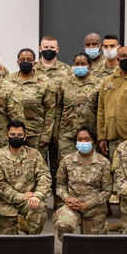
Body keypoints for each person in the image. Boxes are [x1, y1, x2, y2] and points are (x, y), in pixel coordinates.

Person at [0, 120, 52, 235]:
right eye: (12, 135)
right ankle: (18, 224)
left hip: (29, 201)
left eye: (19, 135)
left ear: (25, 137)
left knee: (39, 208)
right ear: (6, 136)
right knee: (7, 246)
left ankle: (33, 241)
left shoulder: (34, 154)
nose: (16, 137)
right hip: (5, 203)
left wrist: (38, 196)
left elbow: (45, 176)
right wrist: (20, 196)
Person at [52, 126, 113, 238]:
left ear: (93, 141)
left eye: (87, 139)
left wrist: (86, 205)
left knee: (91, 244)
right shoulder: (67, 161)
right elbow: (60, 185)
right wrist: (67, 199)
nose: (83, 142)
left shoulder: (103, 163)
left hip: (94, 208)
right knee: (64, 224)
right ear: (75, 141)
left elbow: (107, 191)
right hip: (72, 206)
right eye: (80, 139)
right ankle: (67, 247)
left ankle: (103, 226)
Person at [35, 35, 71, 192]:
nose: (48, 50)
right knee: (38, 167)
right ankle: (38, 201)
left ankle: (59, 202)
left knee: (58, 167)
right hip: (37, 128)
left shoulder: (67, 70)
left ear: (57, 50)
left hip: (60, 127)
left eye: (52, 48)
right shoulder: (33, 69)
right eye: (45, 47)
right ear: (40, 49)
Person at [8, 48, 56, 151]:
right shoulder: (8, 80)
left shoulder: (44, 82)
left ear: (34, 62)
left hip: (36, 133)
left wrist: (46, 135)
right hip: (14, 133)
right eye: (22, 59)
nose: (26, 62)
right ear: (18, 62)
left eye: (29, 60)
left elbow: (50, 110)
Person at [58, 52, 101, 162]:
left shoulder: (99, 84)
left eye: (83, 64)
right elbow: (58, 108)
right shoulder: (64, 83)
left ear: (89, 66)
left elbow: (101, 110)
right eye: (77, 64)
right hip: (67, 134)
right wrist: (54, 133)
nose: (79, 66)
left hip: (90, 135)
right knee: (66, 165)